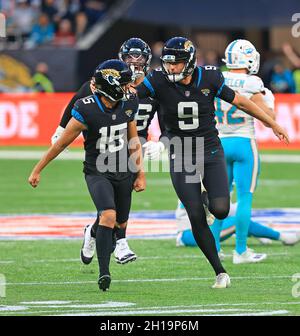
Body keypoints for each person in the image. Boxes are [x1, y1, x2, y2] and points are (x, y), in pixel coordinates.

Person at [139, 37, 289, 289]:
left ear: (188, 63)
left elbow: (241, 101)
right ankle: (219, 271)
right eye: (167, 63)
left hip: (210, 150)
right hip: (181, 151)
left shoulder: (210, 77)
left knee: (220, 209)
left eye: (175, 63)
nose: (170, 68)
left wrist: (272, 123)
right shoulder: (156, 80)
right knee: (195, 214)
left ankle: (210, 200)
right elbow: (131, 98)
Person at [28, 59, 146, 292]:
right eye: (123, 84)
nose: (128, 88)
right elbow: (61, 144)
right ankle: (104, 273)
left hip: (123, 169)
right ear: (110, 86)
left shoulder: (130, 102)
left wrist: (140, 173)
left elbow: (134, 141)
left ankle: (91, 233)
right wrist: (38, 168)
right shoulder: (86, 107)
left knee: (119, 223)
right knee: (109, 216)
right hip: (97, 170)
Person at [51, 38, 158, 265]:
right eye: (130, 58)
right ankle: (121, 242)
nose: (134, 64)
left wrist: (163, 140)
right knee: (113, 202)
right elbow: (77, 100)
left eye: (139, 59)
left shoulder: (153, 85)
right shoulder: (110, 81)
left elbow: (168, 111)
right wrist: (61, 129)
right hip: (109, 143)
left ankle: (94, 232)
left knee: (121, 199)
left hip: (134, 142)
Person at [176, 199, 300, 249]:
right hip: (190, 234)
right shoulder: (199, 183)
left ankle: (277, 236)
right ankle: (284, 237)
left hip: (195, 232)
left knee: (238, 218)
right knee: (238, 220)